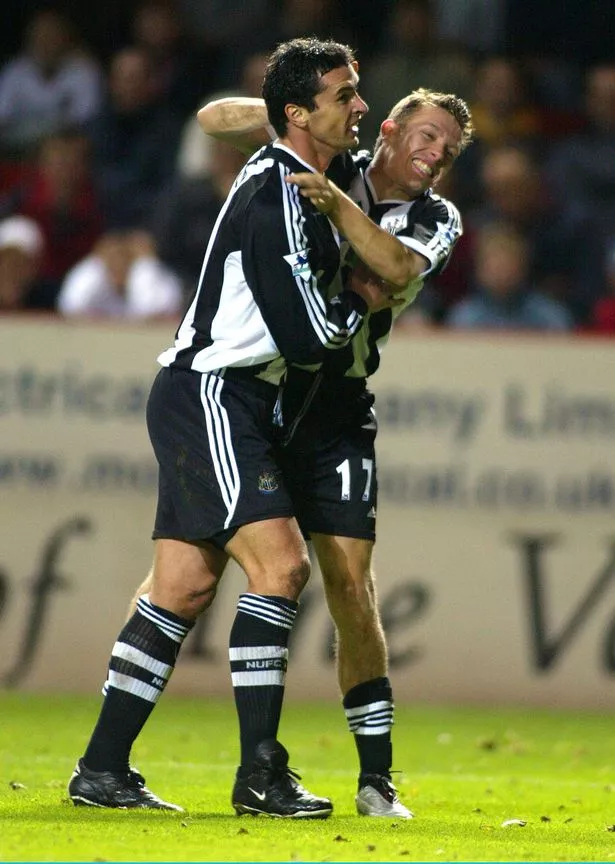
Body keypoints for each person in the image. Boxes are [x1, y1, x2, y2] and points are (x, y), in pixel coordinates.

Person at [67, 37, 408, 820]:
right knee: (282, 569)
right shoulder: (278, 196)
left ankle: (101, 770)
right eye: (343, 94)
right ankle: (260, 771)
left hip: (228, 398)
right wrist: (364, 298)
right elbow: (307, 340)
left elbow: (230, 115)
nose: (360, 105)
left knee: (181, 588)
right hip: (216, 395)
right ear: (298, 113)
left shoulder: (303, 178)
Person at [131, 84, 474, 818]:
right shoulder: (325, 153)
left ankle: (374, 779)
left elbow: (396, 266)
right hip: (263, 400)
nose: (435, 153)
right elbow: (208, 117)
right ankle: (118, 757)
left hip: (338, 417)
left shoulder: (433, 217)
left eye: (448, 148)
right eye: (427, 134)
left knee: (350, 588)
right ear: (388, 127)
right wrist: (292, 116)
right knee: (188, 578)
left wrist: (332, 200)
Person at [445, 221, 574, 331]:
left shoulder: (550, 318)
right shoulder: (463, 318)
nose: (501, 271)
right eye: (494, 263)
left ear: (523, 266)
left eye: (508, 261)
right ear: (478, 268)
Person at [57, 229, 184, 319]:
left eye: (124, 259)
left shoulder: (147, 275)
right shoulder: (95, 277)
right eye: (112, 260)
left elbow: (148, 310)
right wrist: (95, 263)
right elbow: (71, 305)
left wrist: (146, 264)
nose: (118, 265)